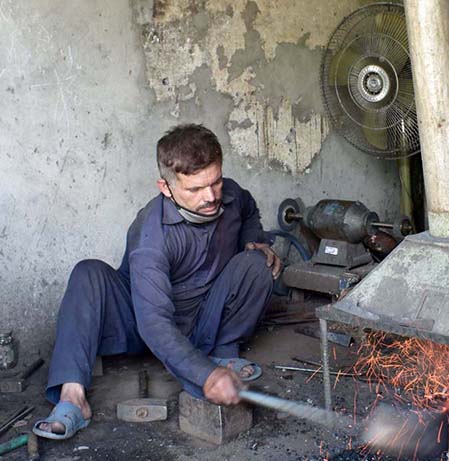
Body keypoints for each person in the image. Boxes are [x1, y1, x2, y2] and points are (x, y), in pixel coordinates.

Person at [33, 124, 280, 440]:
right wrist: (206, 377)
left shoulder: (229, 194)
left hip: (206, 317)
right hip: (142, 322)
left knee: (258, 262)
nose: (211, 197)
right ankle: (73, 398)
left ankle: (222, 350)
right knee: (87, 272)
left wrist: (253, 241)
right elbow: (153, 323)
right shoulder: (152, 235)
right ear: (166, 187)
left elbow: (248, 210)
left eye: (215, 182)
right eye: (195, 190)